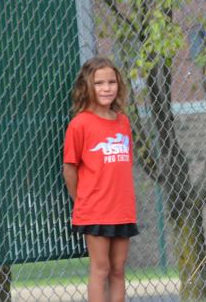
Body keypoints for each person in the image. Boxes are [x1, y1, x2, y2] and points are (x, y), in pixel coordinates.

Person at [63, 56, 138, 302]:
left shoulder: (123, 122)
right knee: (101, 268)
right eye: (99, 83)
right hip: (95, 210)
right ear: (87, 86)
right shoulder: (80, 124)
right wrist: (81, 201)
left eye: (111, 82)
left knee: (118, 269)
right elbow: (69, 169)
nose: (106, 88)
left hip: (122, 209)